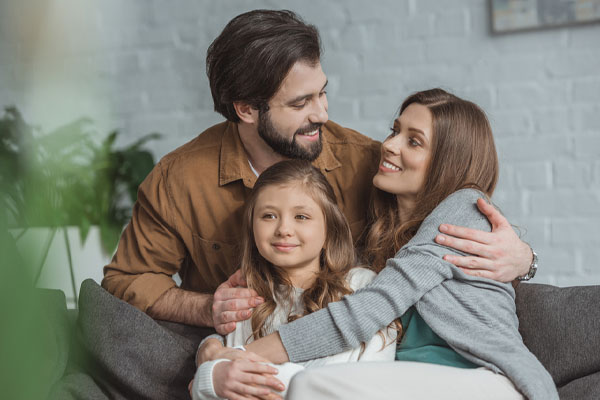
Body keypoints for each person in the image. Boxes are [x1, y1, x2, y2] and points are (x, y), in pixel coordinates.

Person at [101, 9, 535, 336]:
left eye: (322, 93)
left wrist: (523, 260)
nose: (322, 114)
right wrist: (205, 310)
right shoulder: (179, 179)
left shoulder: (367, 162)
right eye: (300, 103)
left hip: (347, 342)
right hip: (241, 345)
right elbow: (126, 279)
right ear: (247, 109)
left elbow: (445, 219)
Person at [199, 89, 558, 399]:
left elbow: (365, 312)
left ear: (448, 160)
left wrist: (239, 357)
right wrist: (212, 346)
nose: (388, 145)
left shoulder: (465, 207)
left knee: (311, 388)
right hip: (412, 384)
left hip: (485, 381)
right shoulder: (382, 235)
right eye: (395, 131)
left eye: (413, 141)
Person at [190, 160, 396, 400]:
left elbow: (368, 383)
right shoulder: (246, 297)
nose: (283, 229)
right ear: (251, 227)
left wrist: (216, 369)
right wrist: (209, 376)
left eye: (301, 216)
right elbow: (223, 386)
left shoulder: (362, 286)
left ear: (330, 226)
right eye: (269, 216)